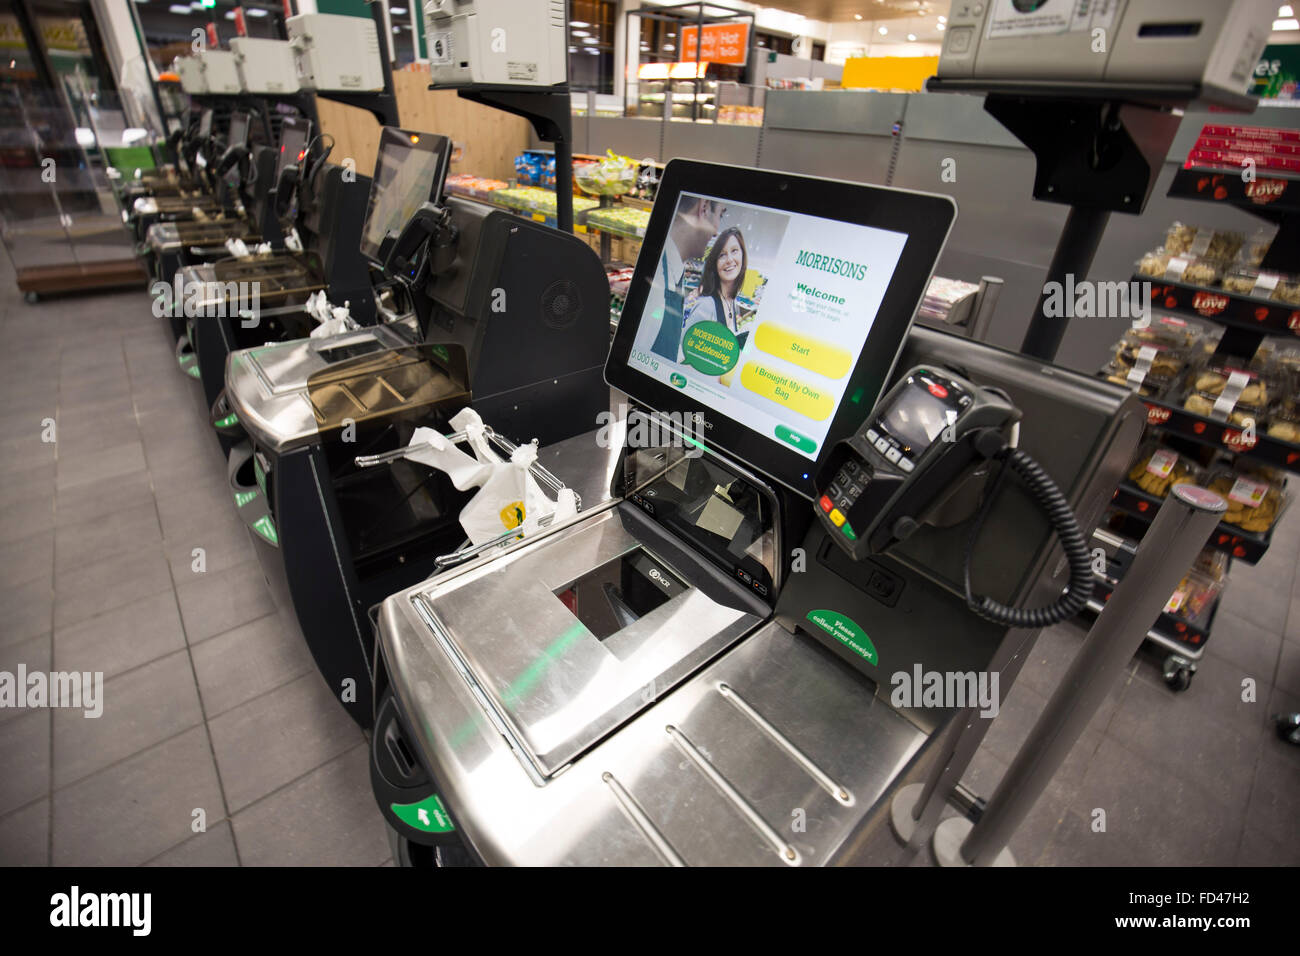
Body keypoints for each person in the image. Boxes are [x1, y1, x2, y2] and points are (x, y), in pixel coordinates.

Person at [648, 196, 725, 361]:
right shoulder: (657, 279)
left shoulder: (675, 270)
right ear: (703, 208)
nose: (716, 231)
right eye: (720, 215)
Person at [685, 227, 749, 346]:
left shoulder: (732, 301)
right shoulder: (706, 306)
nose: (729, 260)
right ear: (715, 263)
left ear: (743, 255)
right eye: (722, 255)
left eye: (734, 250)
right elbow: (685, 351)